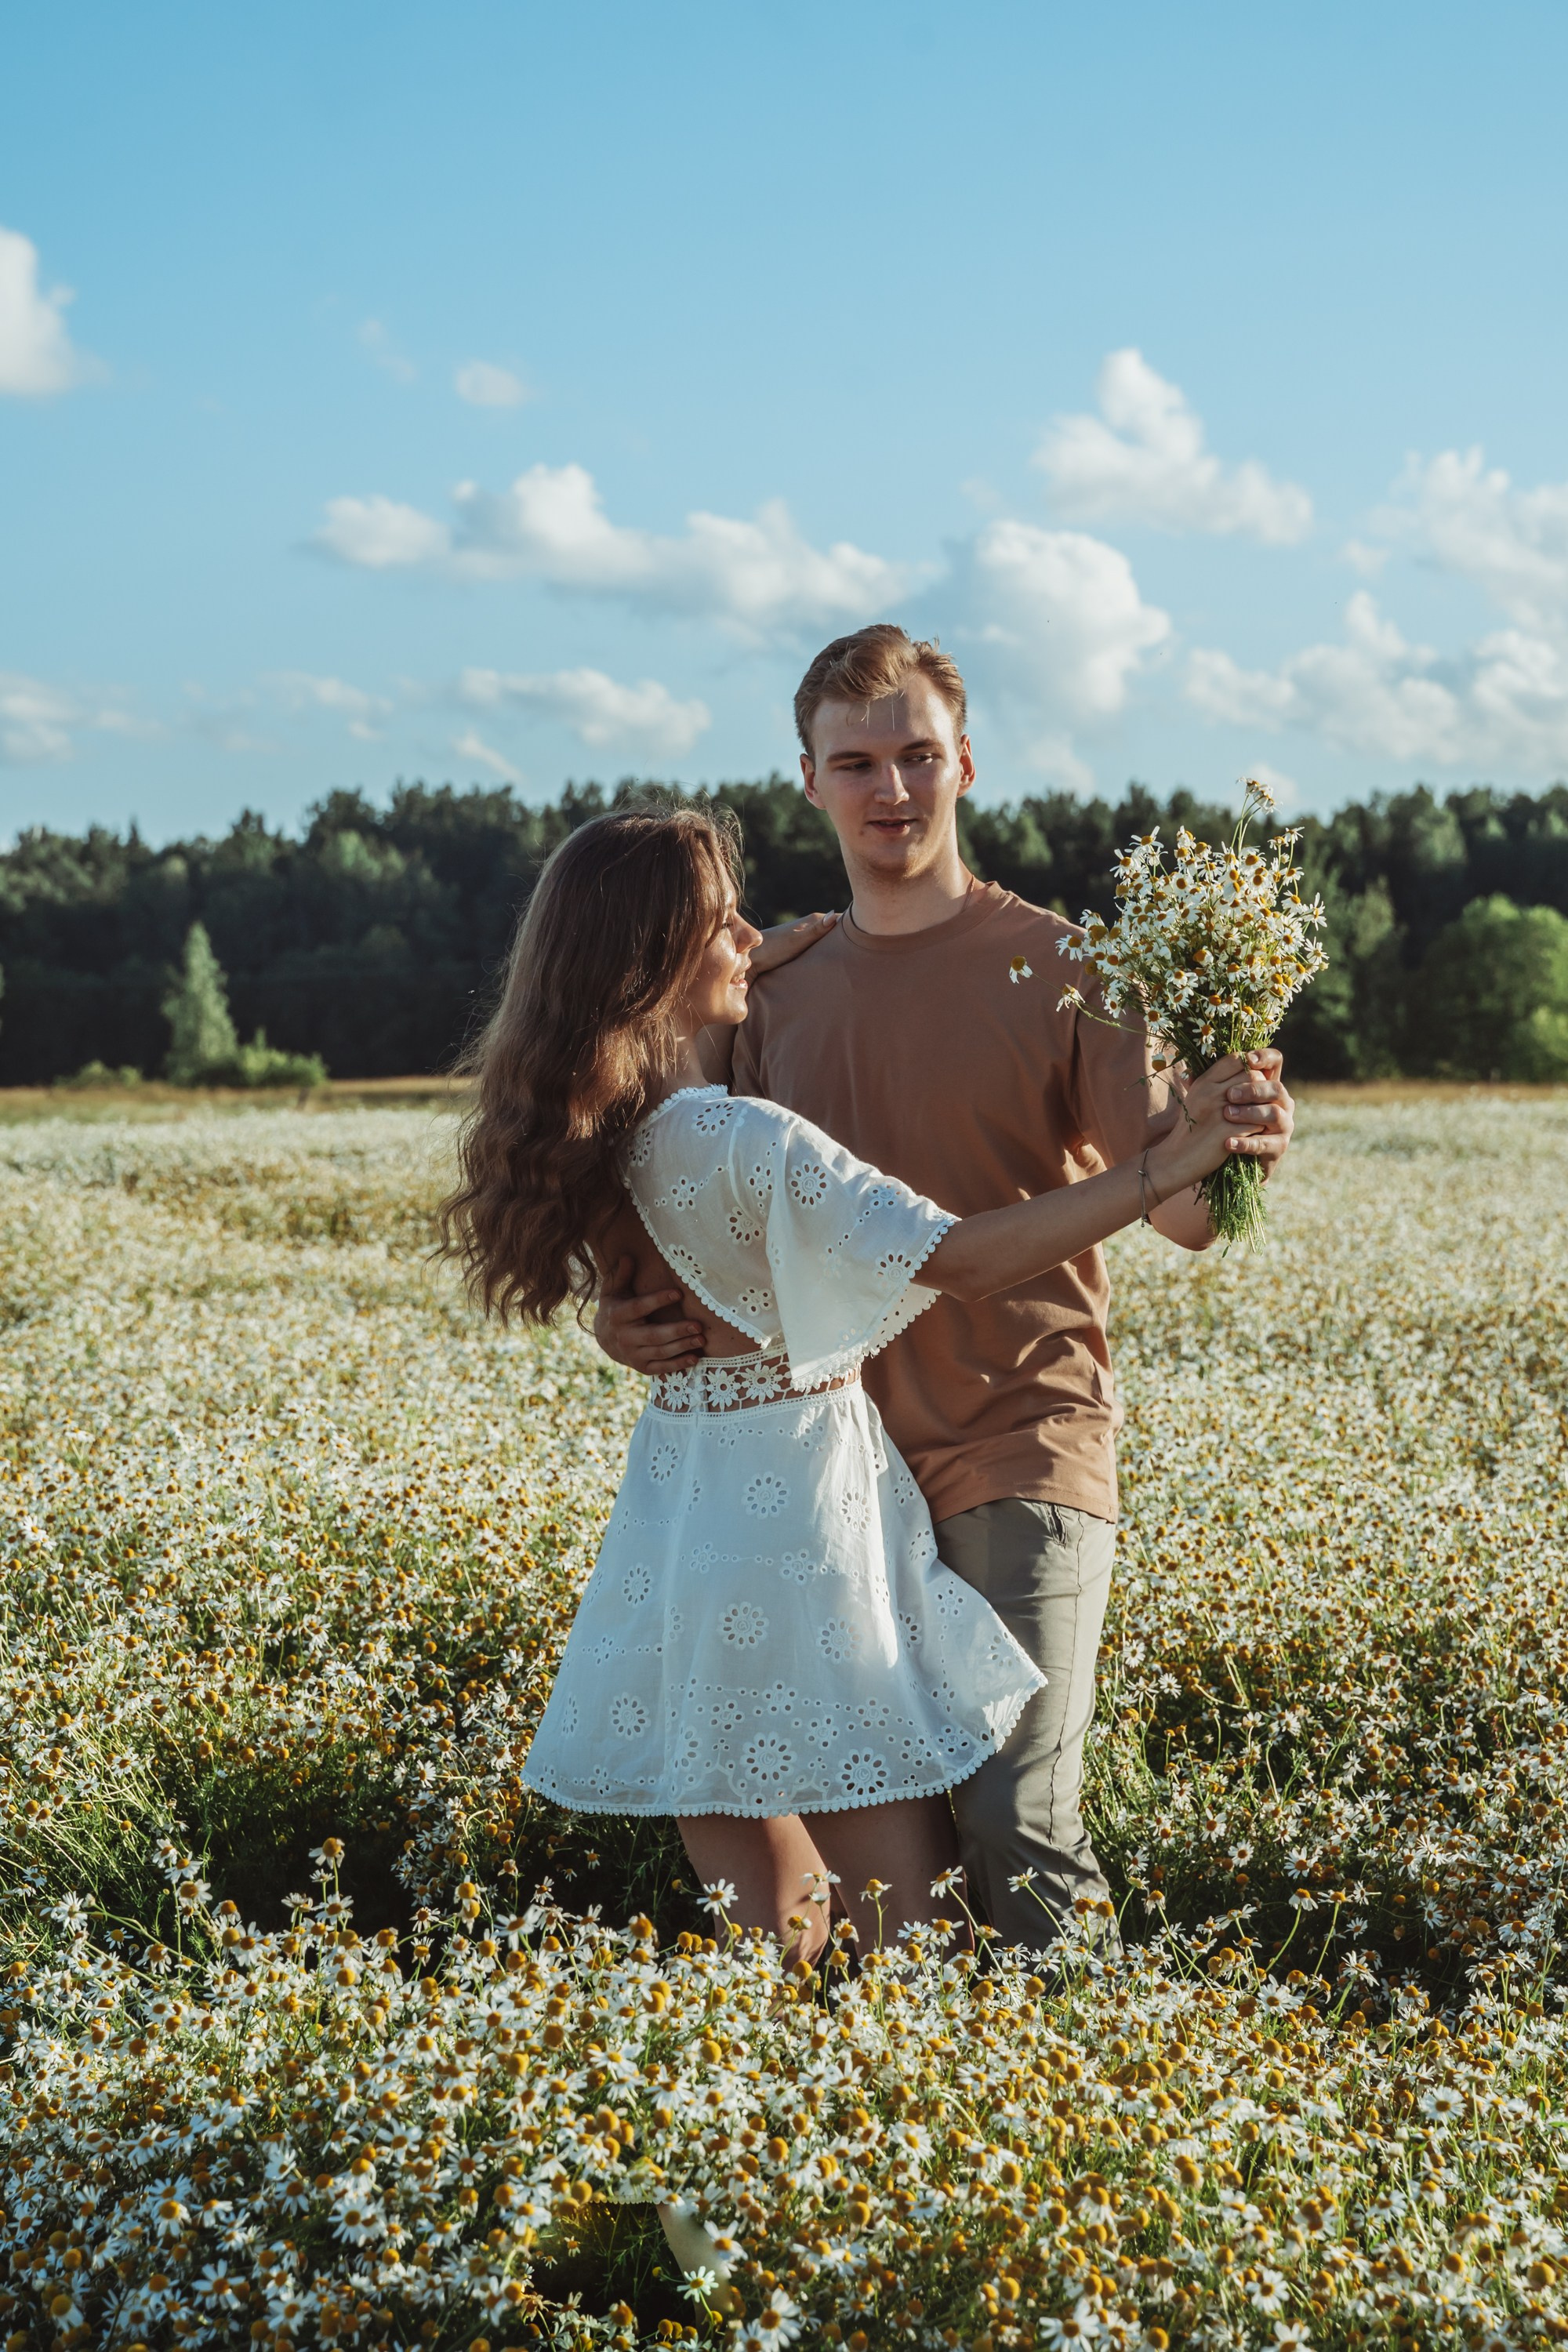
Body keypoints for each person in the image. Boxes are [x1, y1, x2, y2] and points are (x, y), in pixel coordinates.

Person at [443, 803, 1265, 1959]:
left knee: (771, 1926)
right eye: (723, 921)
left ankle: (789, 2112)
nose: (752, 937)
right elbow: (968, 1258)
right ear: (658, 957)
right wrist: (1163, 1165)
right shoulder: (746, 1141)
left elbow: (666, 1291)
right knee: (913, 1941)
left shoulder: (599, 1137)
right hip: (803, 1535)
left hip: (686, 1524)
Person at [596, 625, 1297, 1954]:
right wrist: (611, 1318)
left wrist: (1236, 1128)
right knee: (889, 1861)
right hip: (834, 1471)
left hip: (1024, 1438)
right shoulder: (774, 991)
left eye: (918, 755)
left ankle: (1093, 2121)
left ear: (965, 763)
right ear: (807, 778)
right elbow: (702, 1213)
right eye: (855, 762)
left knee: (1019, 1827)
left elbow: (1189, 1212)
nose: (892, 791)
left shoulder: (1074, 967)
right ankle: (931, 2118)